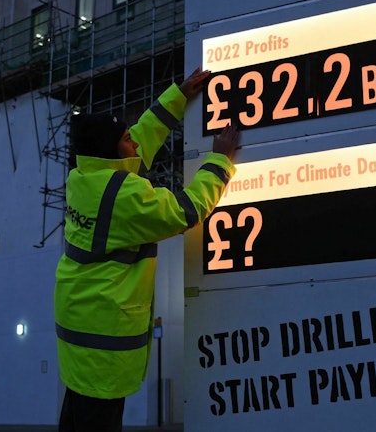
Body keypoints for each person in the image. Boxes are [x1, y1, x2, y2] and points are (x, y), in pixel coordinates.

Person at [54, 68, 239, 432]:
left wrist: (179, 95)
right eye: (126, 140)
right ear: (111, 151)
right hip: (102, 340)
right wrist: (219, 161)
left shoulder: (84, 177)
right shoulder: (123, 197)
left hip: (79, 324)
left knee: (76, 416)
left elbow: (140, 137)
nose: (135, 144)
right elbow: (186, 211)